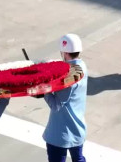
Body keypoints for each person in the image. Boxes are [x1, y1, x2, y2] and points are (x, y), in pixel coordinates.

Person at [41, 34, 88, 162]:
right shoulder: (82, 66)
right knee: (78, 158)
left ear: (66, 53)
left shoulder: (69, 76)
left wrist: (44, 90)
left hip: (60, 134)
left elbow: (56, 105)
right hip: (77, 129)